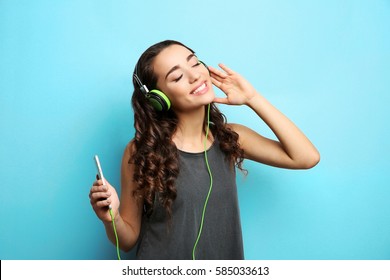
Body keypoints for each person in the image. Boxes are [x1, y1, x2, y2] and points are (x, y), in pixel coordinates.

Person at [89, 40, 320, 260]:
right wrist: (112, 218)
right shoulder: (141, 151)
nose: (195, 75)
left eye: (194, 62)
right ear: (159, 99)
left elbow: (306, 157)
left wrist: (252, 98)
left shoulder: (230, 138)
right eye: (178, 76)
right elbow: (127, 240)